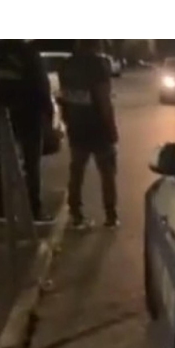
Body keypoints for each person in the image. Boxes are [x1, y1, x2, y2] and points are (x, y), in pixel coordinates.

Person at [0, 39, 53, 222]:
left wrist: (1, 97)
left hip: (4, 113)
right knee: (31, 164)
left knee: (5, 162)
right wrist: (48, 114)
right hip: (29, 113)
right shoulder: (27, 52)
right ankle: (34, 210)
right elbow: (41, 86)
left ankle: (4, 209)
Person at [58, 40, 119, 229]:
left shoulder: (67, 66)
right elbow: (103, 99)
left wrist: (68, 120)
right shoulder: (98, 65)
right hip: (98, 128)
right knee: (107, 172)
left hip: (77, 126)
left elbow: (64, 97)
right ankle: (110, 215)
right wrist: (111, 128)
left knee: (76, 172)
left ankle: (76, 213)